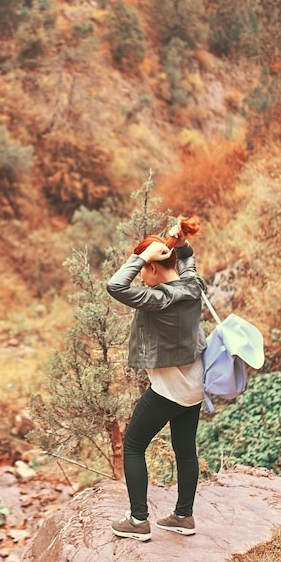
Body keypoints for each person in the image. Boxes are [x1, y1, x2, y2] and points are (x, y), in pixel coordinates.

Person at [106, 216, 207, 541]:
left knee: (134, 446)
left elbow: (115, 286)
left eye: (145, 268)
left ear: (151, 268)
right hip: (194, 386)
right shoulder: (192, 283)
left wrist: (142, 257)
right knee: (185, 449)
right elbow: (188, 257)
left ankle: (138, 521)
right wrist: (178, 244)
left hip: (168, 390)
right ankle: (183, 516)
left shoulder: (157, 299)